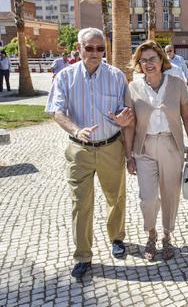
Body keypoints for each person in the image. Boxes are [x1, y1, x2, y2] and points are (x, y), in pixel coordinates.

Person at [45, 27, 134, 279]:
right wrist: (76, 129)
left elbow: (127, 113)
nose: (95, 53)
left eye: (100, 48)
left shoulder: (117, 77)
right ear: (79, 48)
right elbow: (56, 112)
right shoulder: (64, 77)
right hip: (79, 150)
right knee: (80, 203)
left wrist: (123, 118)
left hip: (111, 147)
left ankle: (117, 238)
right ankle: (83, 255)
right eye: (89, 48)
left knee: (115, 197)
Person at [123, 40, 188, 262]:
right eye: (143, 60)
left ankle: (166, 236)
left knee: (170, 195)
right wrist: (129, 156)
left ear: (161, 60)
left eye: (152, 59)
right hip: (144, 148)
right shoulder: (133, 88)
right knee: (147, 198)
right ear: (138, 64)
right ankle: (151, 234)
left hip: (171, 146)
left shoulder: (177, 83)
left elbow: (186, 116)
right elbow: (130, 124)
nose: (148, 64)